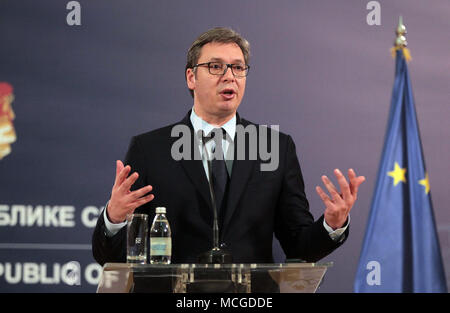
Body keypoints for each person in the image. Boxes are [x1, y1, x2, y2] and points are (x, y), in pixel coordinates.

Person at [92, 27, 365, 266]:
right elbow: (112, 258)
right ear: (191, 78)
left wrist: (332, 224)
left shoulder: (275, 147)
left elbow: (299, 246)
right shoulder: (150, 149)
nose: (229, 76)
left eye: (238, 67)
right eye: (215, 66)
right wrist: (114, 219)